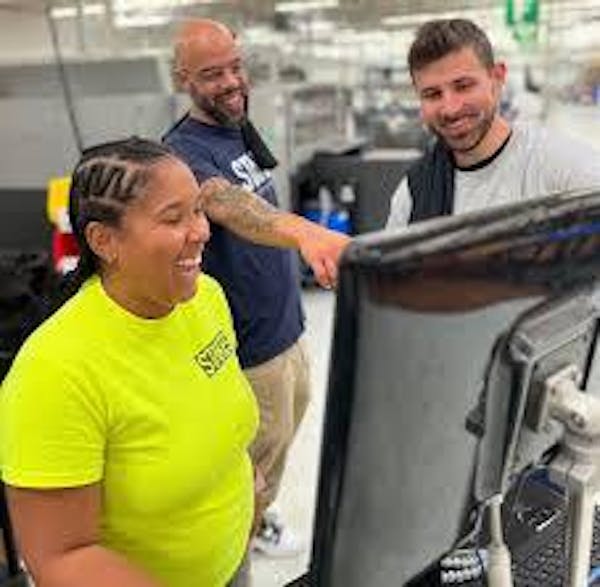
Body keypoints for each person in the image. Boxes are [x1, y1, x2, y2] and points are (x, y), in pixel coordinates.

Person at [0, 137, 259, 587]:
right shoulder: (55, 371)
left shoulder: (207, 300)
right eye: (173, 218)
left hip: (229, 564)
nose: (201, 231)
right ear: (104, 240)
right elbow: (62, 558)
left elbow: (217, 413)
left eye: (198, 210)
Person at [163, 18, 350, 557]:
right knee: (250, 467)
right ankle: (233, 552)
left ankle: (255, 523)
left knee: (279, 447)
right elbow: (229, 205)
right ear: (182, 80)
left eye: (235, 67)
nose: (229, 82)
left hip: (287, 329)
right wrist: (308, 233)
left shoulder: (239, 131)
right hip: (248, 350)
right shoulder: (182, 152)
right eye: (211, 73)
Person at [386, 18, 600, 229]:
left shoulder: (563, 167)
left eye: (463, 86)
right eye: (432, 94)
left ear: (497, 79)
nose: (450, 108)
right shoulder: (415, 191)